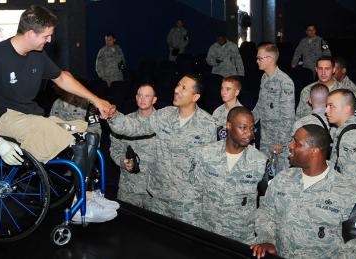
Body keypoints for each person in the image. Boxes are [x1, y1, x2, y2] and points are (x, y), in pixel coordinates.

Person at [0, 5, 117, 223]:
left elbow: (62, 77)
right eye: (47, 35)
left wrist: (97, 100)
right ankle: (77, 204)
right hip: (2, 118)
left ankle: (86, 194)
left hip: (28, 116)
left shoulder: (37, 54)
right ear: (30, 34)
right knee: (53, 133)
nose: (50, 40)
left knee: (86, 135)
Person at [251, 124, 356, 259]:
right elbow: (266, 213)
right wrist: (267, 240)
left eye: (297, 143)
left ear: (314, 151)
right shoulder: (283, 179)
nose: (290, 146)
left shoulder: (348, 194)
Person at [107, 74, 217, 224]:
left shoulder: (207, 124)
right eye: (178, 85)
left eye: (183, 88)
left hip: (187, 201)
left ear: (195, 96)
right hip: (158, 197)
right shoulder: (164, 115)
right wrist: (113, 115)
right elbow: (134, 127)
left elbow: (209, 164)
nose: (177, 90)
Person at [189, 107, 266, 244]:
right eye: (243, 127)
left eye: (251, 128)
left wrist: (263, 239)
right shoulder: (206, 154)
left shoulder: (260, 162)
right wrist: (191, 231)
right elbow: (193, 194)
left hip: (241, 240)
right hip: (207, 234)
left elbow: (265, 207)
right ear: (228, 126)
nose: (249, 133)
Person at [109, 84, 157, 208]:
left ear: (154, 100)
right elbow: (115, 149)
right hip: (129, 188)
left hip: (154, 190)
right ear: (136, 98)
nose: (142, 99)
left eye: (147, 96)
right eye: (140, 95)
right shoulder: (123, 123)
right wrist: (122, 161)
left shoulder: (163, 123)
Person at [252, 43, 295, 171]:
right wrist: (248, 121)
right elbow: (260, 106)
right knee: (264, 173)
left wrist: (281, 142)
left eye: (260, 58)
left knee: (281, 176)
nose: (257, 61)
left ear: (270, 59)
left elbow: (288, 116)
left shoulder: (285, 82)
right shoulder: (264, 78)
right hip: (265, 137)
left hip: (279, 140)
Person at [296, 56, 356, 124]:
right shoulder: (307, 91)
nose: (323, 72)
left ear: (333, 70)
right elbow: (298, 117)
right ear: (316, 70)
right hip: (312, 133)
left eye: (327, 69)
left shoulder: (348, 92)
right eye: (320, 68)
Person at [326, 89, 356, 192]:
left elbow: (352, 185)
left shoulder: (352, 137)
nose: (326, 110)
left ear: (346, 109)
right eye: (326, 106)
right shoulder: (343, 131)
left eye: (331, 106)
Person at [333, 57, 356, 125]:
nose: (331, 72)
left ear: (343, 71)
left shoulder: (353, 92)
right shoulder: (327, 84)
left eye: (334, 70)